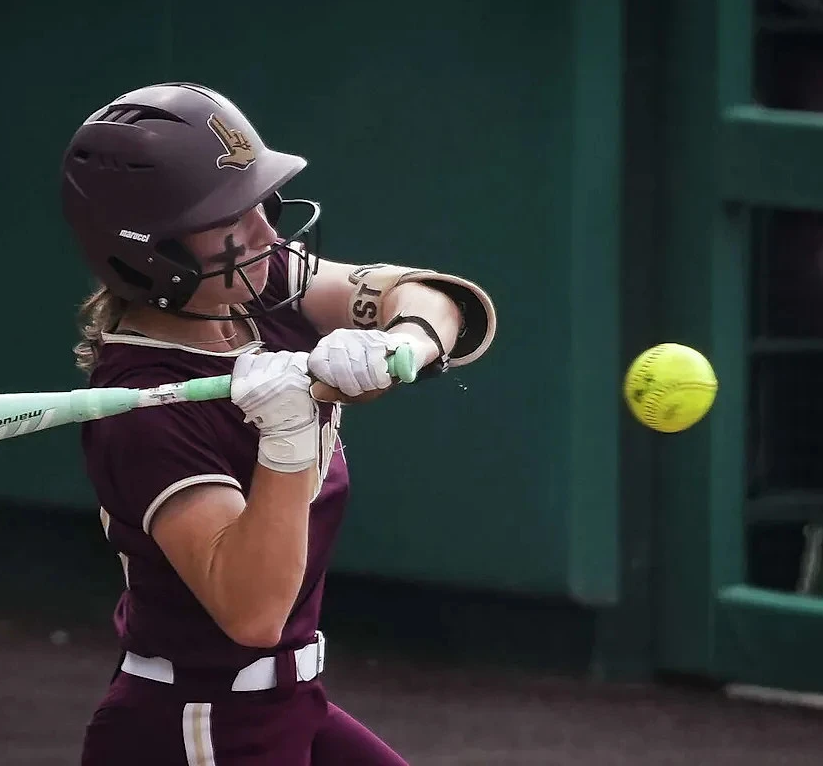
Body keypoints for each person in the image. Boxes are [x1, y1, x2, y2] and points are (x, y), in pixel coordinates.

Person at [60, 82, 497, 766]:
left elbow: (435, 297)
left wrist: (398, 347)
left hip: (288, 709)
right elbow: (252, 612)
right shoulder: (145, 405)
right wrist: (287, 436)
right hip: (199, 729)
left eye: (260, 203)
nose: (265, 230)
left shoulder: (259, 291)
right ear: (153, 253)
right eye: (230, 217)